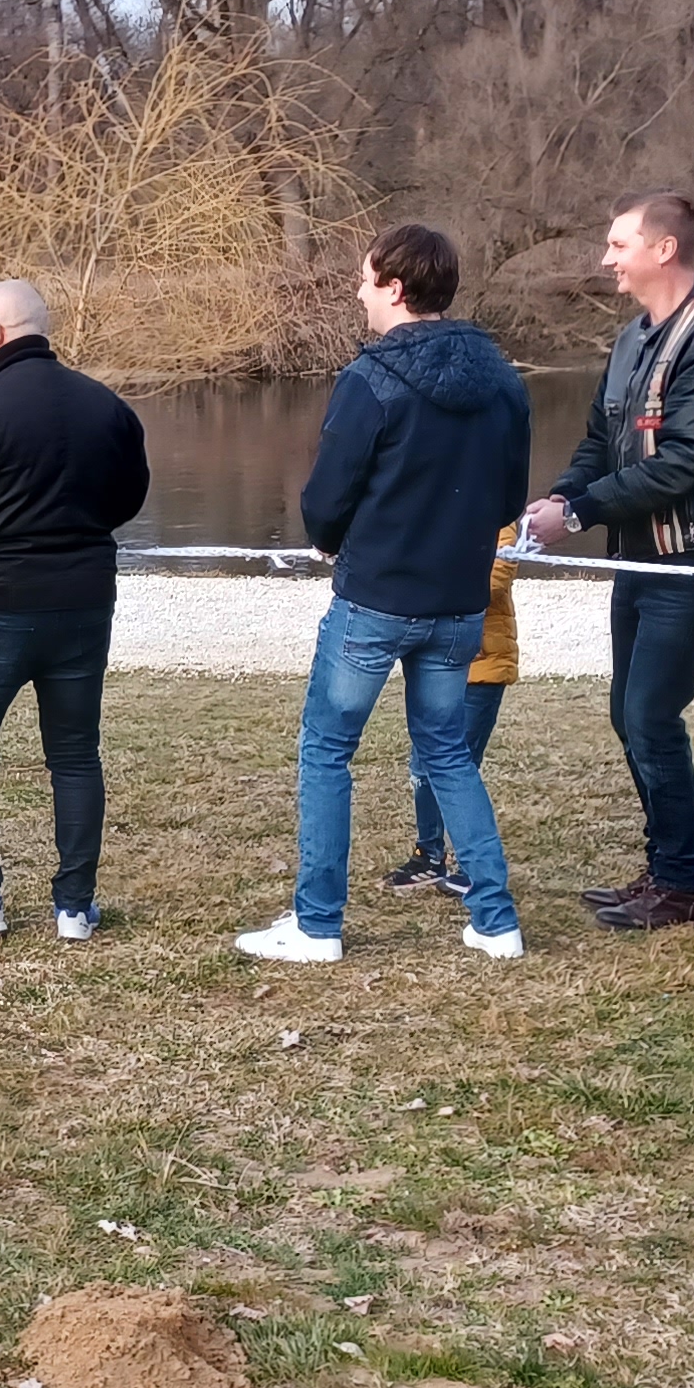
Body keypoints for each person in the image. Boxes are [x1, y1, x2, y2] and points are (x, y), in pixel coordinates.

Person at [239, 222, 534, 966]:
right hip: (460, 603)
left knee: (326, 751)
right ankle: (495, 921)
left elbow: (327, 496)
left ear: (395, 290)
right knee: (448, 755)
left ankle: (317, 924)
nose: (358, 292)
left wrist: (331, 533)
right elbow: (509, 496)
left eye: (366, 280)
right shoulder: (502, 380)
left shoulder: (369, 379)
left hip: (374, 599)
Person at [519, 191, 694, 931]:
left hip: (692, 555)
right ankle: (664, 871)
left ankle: (682, 886)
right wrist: (563, 496)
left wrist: (579, 513)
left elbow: (685, 464)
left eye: (619, 244)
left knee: (650, 713)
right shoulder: (633, 338)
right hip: (639, 554)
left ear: (664, 250)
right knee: (627, 713)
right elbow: (602, 437)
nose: (607, 260)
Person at [0, 278, 150, 943]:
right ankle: (75, 906)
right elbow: (130, 497)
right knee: (73, 753)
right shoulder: (108, 408)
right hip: (84, 600)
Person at [384, 530, 516, 900]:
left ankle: (477, 872)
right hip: (439, 666)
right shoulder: (437, 511)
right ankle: (428, 856)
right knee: (422, 764)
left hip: (482, 668)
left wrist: (427, 584)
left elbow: (494, 581)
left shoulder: (500, 526)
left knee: (459, 771)